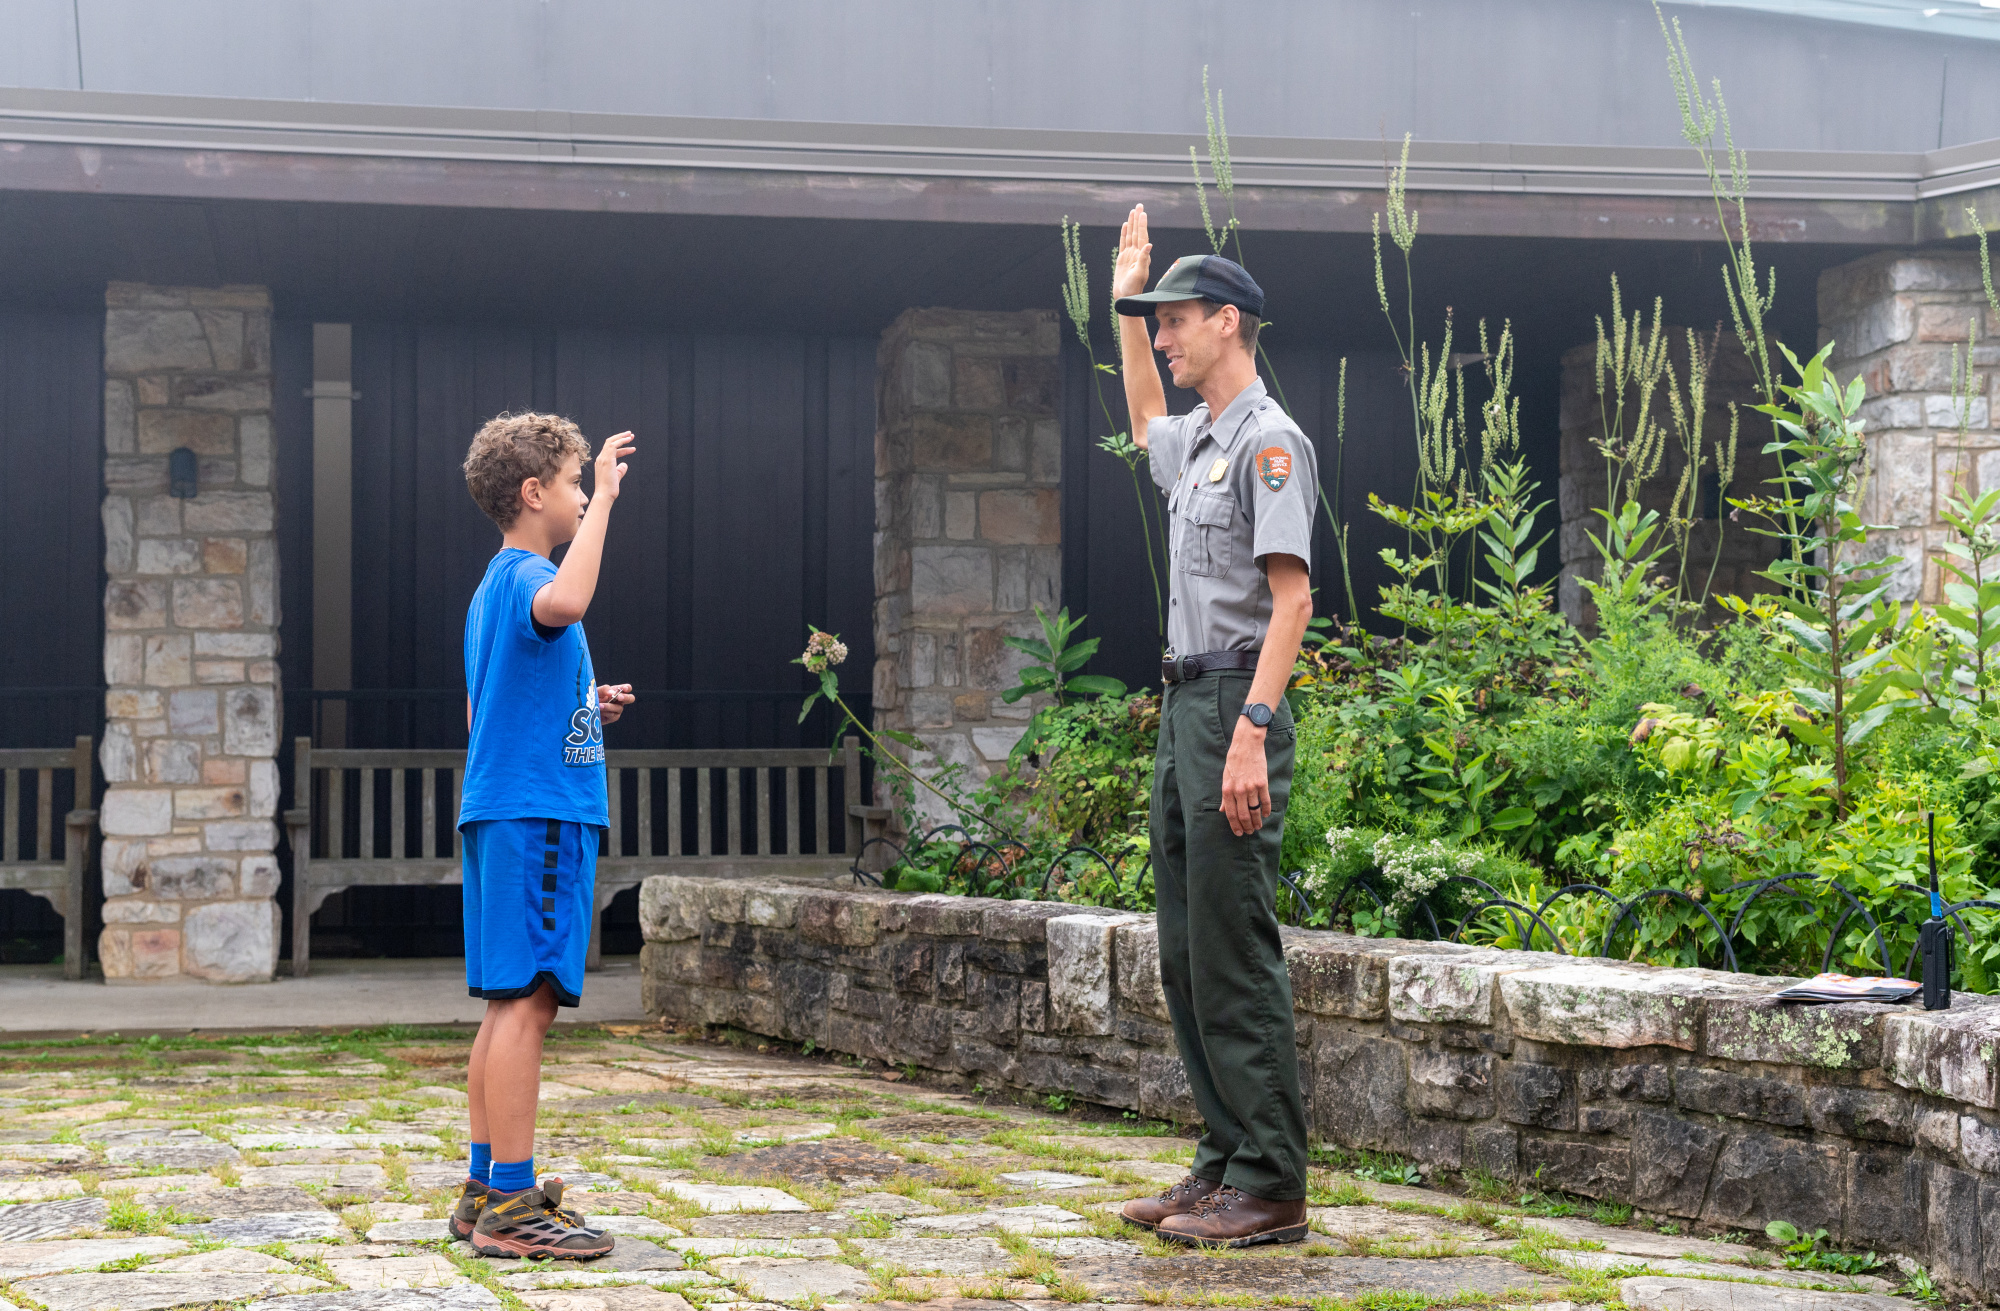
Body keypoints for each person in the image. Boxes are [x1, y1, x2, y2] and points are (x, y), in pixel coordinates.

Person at [1110, 205, 1316, 1248]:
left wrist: (1250, 729)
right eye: (1154, 321)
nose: (1162, 335)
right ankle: (1221, 1163)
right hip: (1183, 701)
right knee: (1185, 951)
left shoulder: (1268, 445)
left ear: (1228, 321)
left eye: (1175, 318)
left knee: (1232, 946)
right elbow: (1145, 408)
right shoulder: (1197, 440)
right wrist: (1123, 291)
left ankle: (1270, 1182)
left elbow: (1291, 604)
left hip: (1235, 701)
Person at [450, 412, 638, 1259]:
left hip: (499, 808)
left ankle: (488, 1185)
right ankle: (517, 1204)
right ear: (536, 494)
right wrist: (605, 501)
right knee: (529, 1002)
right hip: (540, 819)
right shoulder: (532, 573)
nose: (579, 495)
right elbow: (571, 598)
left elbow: (488, 709)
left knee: (503, 1004)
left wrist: (581, 706)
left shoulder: (489, 591)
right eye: (570, 483)